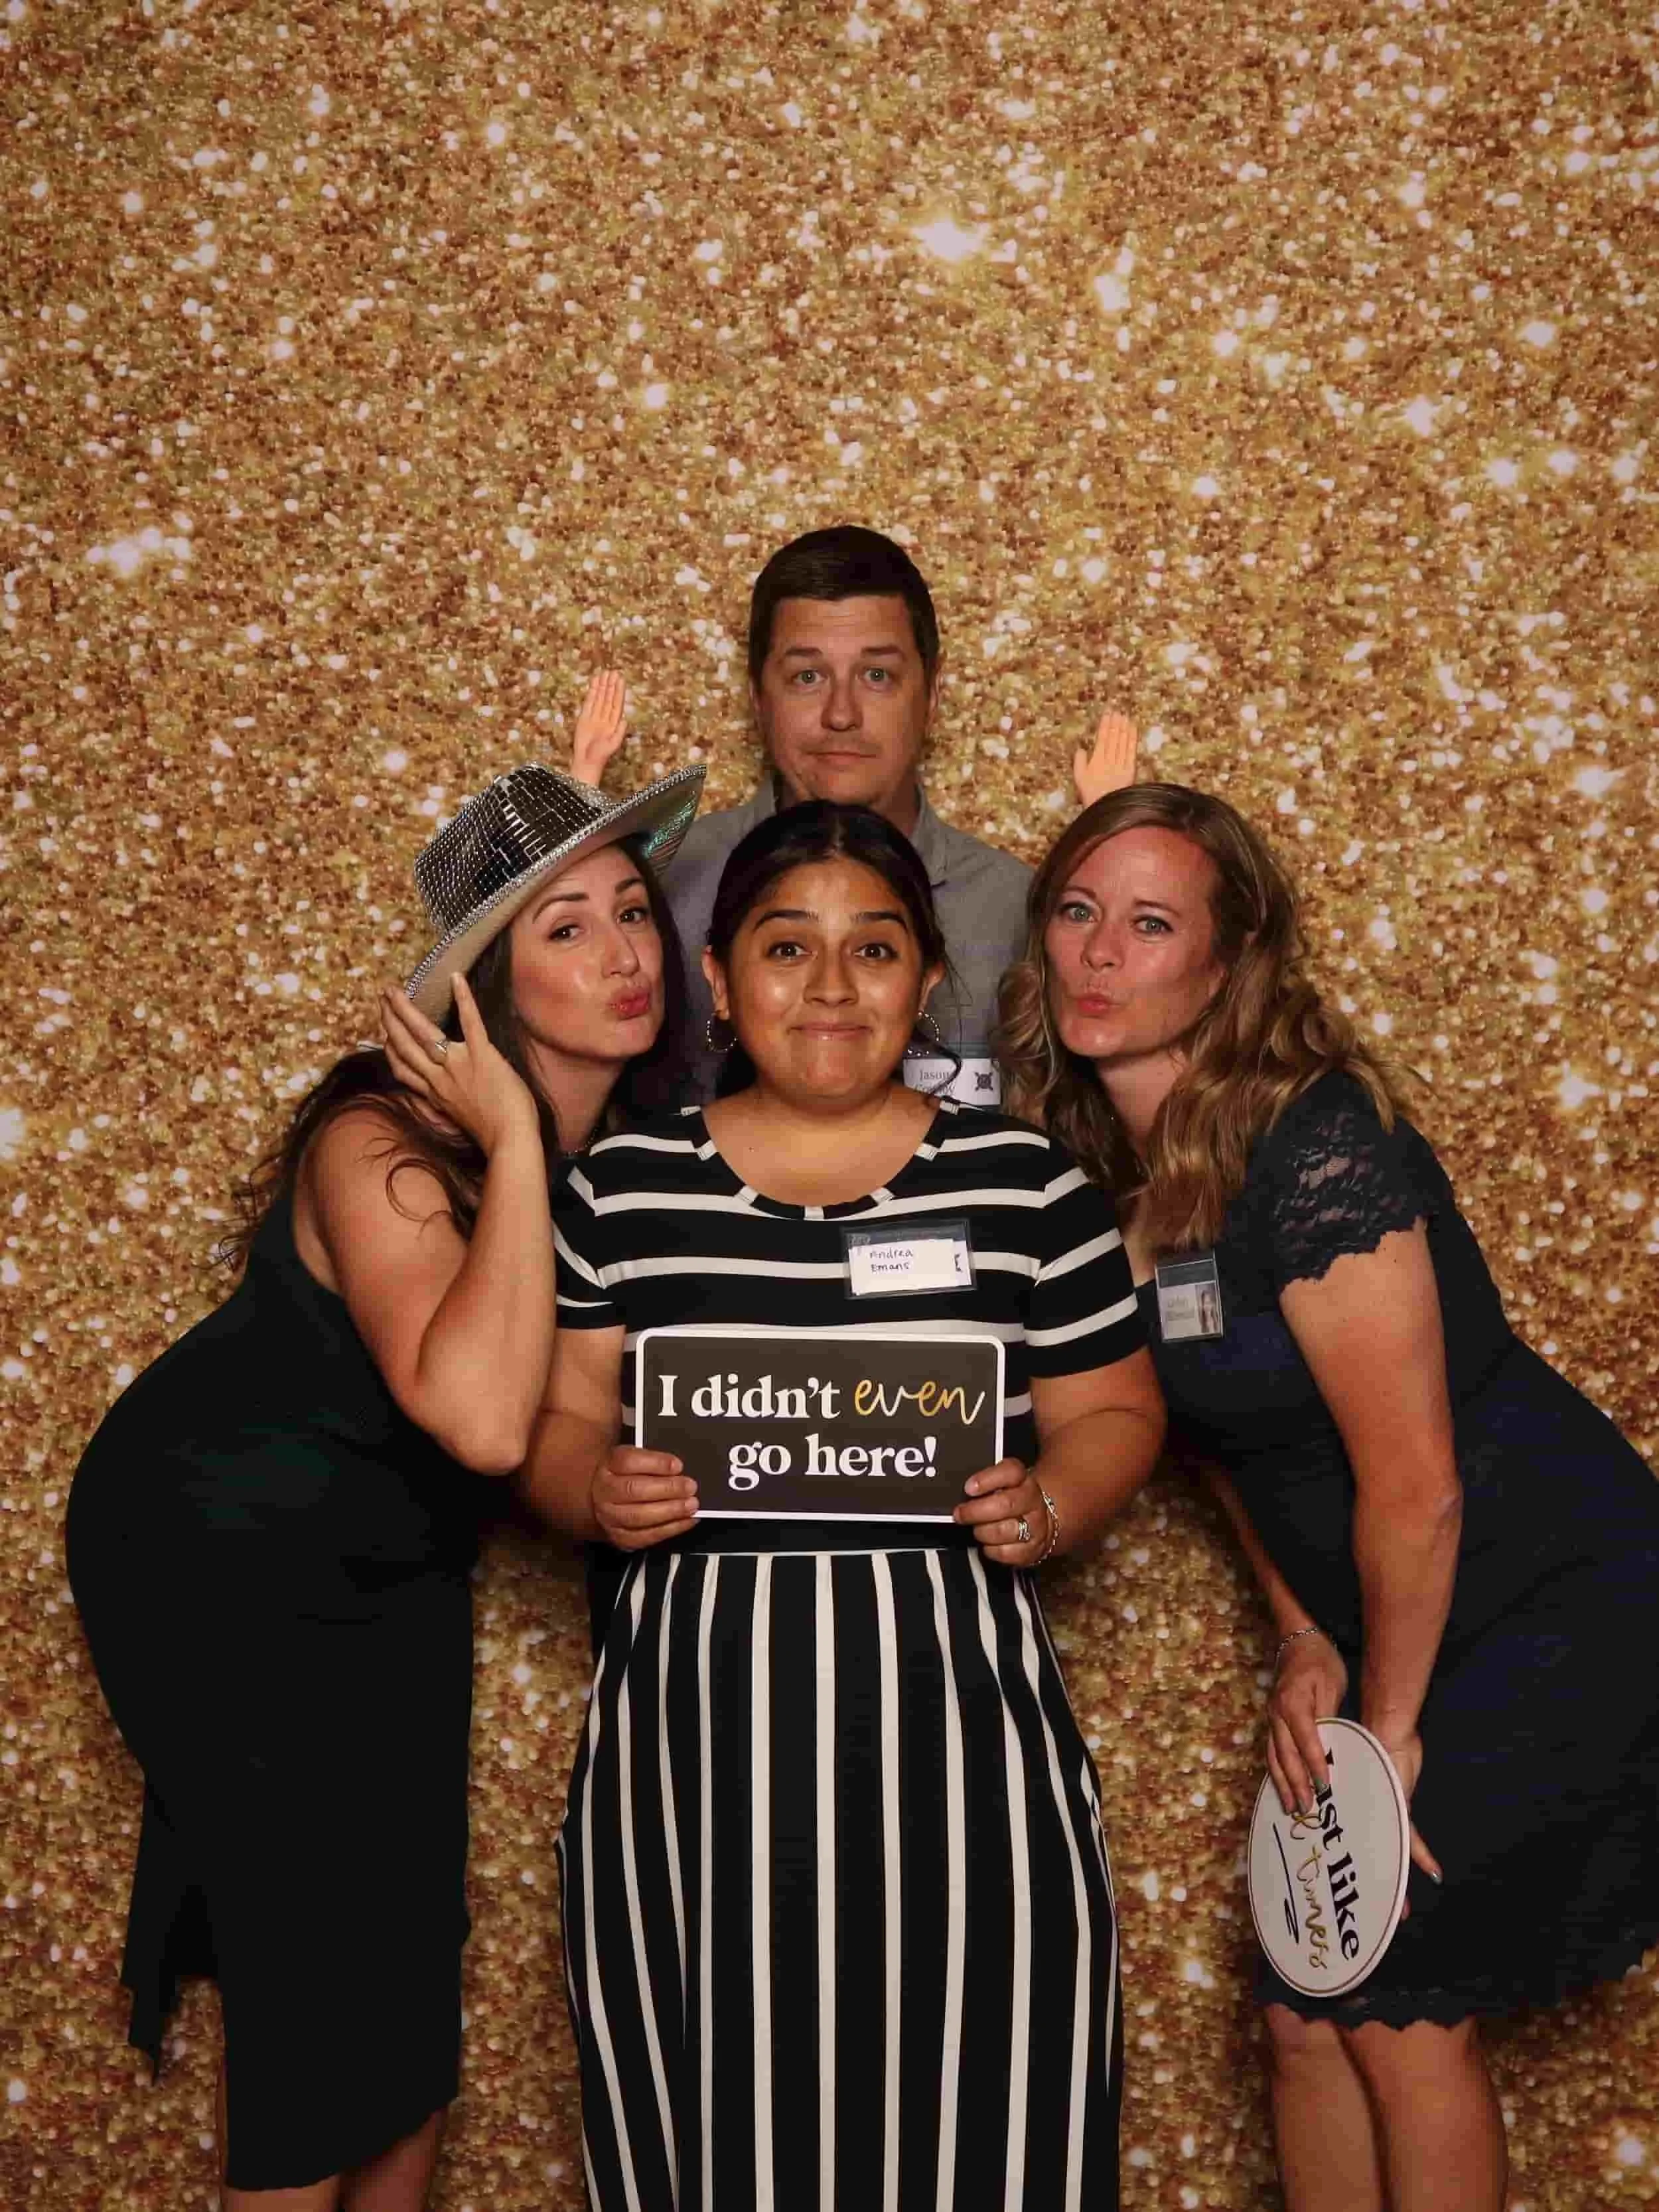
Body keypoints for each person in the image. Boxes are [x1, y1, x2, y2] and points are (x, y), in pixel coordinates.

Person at [999, 781, 1659, 2212]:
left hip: (1545, 1592)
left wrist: (1388, 1722)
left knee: (1394, 1992)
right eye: (1076, 911)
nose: (1100, 953)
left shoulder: (1313, 1146)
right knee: (1302, 2005)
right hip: (1382, 1617)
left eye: (1151, 922)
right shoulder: (1123, 1185)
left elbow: (1412, 1481)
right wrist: (1302, 1635)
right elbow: (1229, 1444)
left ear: (1226, 967)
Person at [64, 758, 703, 2210]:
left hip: (392, 1579)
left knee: (406, 2024)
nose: (619, 953)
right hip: (223, 1555)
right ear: (478, 989)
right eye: (561, 928)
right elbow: (481, 1418)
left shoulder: (617, 1158)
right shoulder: (378, 1134)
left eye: (630, 911)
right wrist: (515, 1153)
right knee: (318, 2024)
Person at [518, 800, 1165, 2211]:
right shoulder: (620, 1194)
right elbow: (555, 1421)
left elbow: (1115, 1409)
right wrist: (588, 1483)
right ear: (717, 978)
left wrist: (1052, 1502)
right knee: (725, 2136)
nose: (828, 988)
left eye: (871, 950)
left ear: (926, 974)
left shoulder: (1026, 1184)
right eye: (784, 947)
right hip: (699, 1775)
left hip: (961, 1765)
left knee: (983, 2126)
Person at [571, 524, 1137, 1106]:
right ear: (758, 697)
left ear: (932, 696)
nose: (842, 714)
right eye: (807, 677)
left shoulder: (1019, 910)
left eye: (877, 676)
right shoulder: (662, 887)